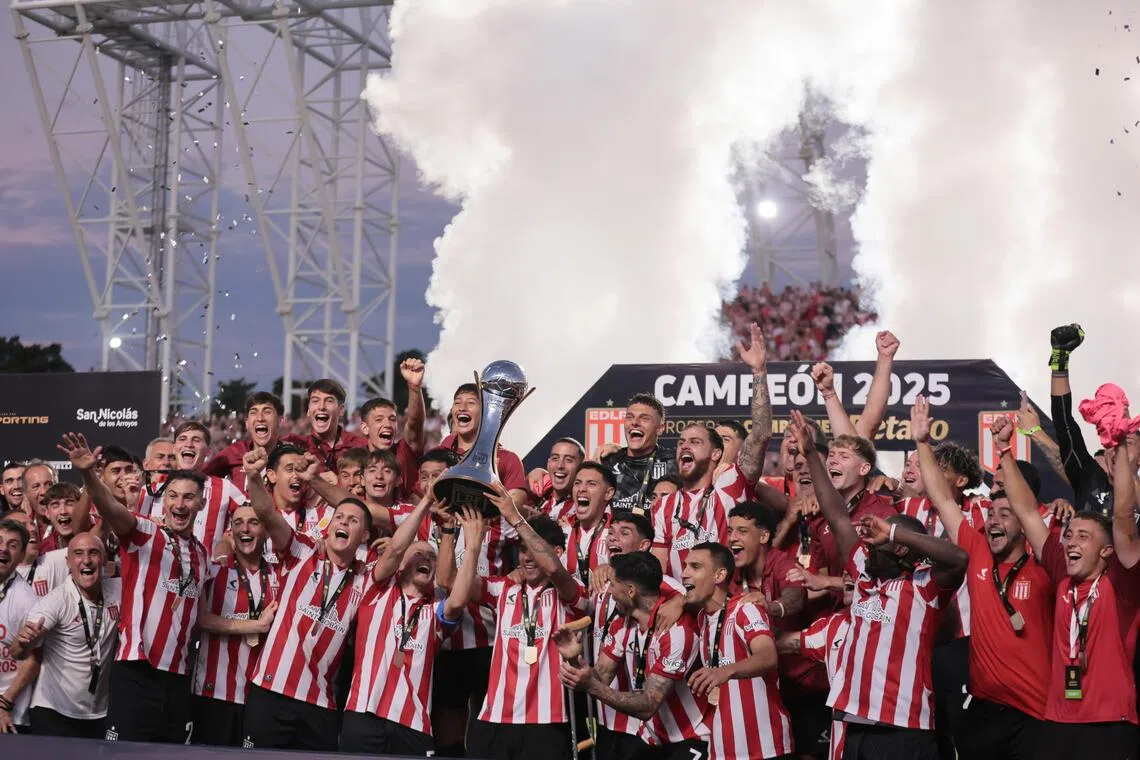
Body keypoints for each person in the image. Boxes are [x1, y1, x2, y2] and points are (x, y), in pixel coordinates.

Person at [787, 410, 967, 759]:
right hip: (853, 726)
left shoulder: (923, 589)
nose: (867, 545)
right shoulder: (864, 575)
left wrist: (895, 531)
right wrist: (811, 454)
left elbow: (959, 558)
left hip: (902, 731)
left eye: (879, 541)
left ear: (901, 547)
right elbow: (838, 516)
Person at [914, 399, 1052, 760]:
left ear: (1025, 522)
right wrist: (922, 443)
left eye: (1005, 514)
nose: (993, 520)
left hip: (1035, 714)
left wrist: (1004, 449)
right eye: (990, 512)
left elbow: (1028, 511)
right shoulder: (977, 551)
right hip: (984, 709)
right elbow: (942, 498)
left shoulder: (1046, 565)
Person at [1000, 414, 1140, 759]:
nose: (1070, 542)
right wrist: (1003, 449)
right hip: (1058, 720)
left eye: (1083, 536)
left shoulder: (1122, 578)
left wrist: (1120, 446)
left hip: (1110, 723)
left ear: (1107, 550)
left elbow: (1123, 516)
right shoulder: (1062, 568)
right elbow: (1027, 512)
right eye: (1068, 534)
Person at [57, 432, 209, 744]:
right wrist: (88, 472)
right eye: (173, 496)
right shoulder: (145, 533)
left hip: (179, 677)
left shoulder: (202, 555)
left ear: (201, 503)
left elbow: (200, 617)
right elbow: (111, 510)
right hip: (136, 671)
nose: (179, 504)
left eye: (188, 498)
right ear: (163, 500)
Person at [239, 446, 375, 751]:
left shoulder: (366, 578)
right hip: (271, 691)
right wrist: (253, 476)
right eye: (338, 517)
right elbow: (266, 513)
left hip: (320, 704)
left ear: (364, 536)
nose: (343, 523)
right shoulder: (303, 551)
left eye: (352, 521)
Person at [459, 483, 589, 760]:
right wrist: (457, 538)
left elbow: (553, 567)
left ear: (555, 549)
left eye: (532, 548)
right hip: (494, 719)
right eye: (521, 549)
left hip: (546, 723)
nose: (526, 556)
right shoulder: (503, 589)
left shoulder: (570, 594)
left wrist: (513, 516)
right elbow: (450, 582)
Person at [341, 496, 474, 755]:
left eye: (431, 558)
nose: (426, 559)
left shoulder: (433, 609)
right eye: (418, 555)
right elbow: (393, 552)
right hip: (362, 715)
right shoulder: (376, 591)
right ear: (401, 565)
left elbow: (457, 601)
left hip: (413, 725)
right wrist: (425, 502)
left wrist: (472, 545)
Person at [559, 550, 711, 759]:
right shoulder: (622, 624)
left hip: (690, 739)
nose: (609, 593)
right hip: (651, 741)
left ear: (630, 591)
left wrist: (591, 686)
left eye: (612, 584)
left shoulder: (678, 631)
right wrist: (575, 659)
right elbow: (601, 677)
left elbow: (648, 704)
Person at [684, 542, 793, 760]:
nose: (685, 573)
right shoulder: (702, 619)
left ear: (719, 575)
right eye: (685, 566)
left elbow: (768, 657)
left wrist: (725, 671)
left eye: (695, 567)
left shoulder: (745, 609)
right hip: (723, 749)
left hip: (765, 748)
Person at [10, 532, 121, 738]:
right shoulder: (55, 601)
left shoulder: (118, 591)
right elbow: (19, 652)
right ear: (68, 562)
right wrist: (23, 642)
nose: (86, 560)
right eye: (78, 554)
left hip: (99, 714)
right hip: (54, 712)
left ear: (104, 559)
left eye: (93, 553)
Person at [190, 505, 280, 746]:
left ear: (267, 531)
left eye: (253, 522)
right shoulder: (214, 572)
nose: (245, 528)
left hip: (259, 699)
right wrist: (255, 626)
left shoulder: (280, 576)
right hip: (213, 693)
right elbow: (202, 619)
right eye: (238, 522)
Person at [652, 424, 736, 579]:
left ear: (715, 453)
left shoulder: (728, 488)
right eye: (681, 442)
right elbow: (659, 569)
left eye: (695, 442)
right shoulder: (663, 505)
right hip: (680, 598)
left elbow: (758, 442)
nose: (684, 446)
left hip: (723, 596)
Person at [1047, 323, 1113, 514]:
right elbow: (1063, 421)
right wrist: (1060, 357)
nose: (1115, 449)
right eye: (1112, 445)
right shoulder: (1089, 476)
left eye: (1127, 443)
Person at [441, 383, 530, 505]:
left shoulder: (508, 460)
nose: (462, 407)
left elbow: (518, 508)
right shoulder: (440, 452)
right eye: (457, 403)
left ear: (486, 412)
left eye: (471, 403)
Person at [358, 356, 428, 495]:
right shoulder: (355, 458)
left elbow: (415, 423)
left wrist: (414, 387)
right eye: (379, 419)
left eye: (392, 419)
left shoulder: (404, 452)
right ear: (365, 428)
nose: (388, 424)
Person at [599, 393, 679, 514]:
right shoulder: (607, 463)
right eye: (629, 417)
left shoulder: (676, 462)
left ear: (660, 428)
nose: (635, 422)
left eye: (644, 418)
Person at [202, 392, 305, 484]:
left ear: (280, 420)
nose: (260, 418)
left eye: (267, 412)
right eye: (253, 412)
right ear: (247, 423)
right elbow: (200, 477)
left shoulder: (293, 457)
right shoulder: (234, 452)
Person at [0, 517, 37, 734]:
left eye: (12, 545)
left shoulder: (27, 600)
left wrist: (5, 703)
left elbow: (34, 659)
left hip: (9, 714)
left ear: (22, 555)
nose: (3, 549)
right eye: (0, 542)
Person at [562, 462, 616, 587]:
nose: (581, 489)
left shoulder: (621, 533)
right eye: (577, 483)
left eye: (591, 484)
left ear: (608, 493)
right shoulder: (560, 530)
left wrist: (615, 570)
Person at [304, 378, 369, 472]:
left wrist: (339, 481)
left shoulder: (361, 446)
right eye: (315, 401)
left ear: (341, 410)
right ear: (308, 410)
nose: (321, 407)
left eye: (329, 401)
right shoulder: (297, 449)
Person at [537, 438, 587, 522]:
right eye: (555, 458)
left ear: (581, 467)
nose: (560, 465)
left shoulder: (587, 508)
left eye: (568, 460)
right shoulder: (535, 496)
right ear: (548, 464)